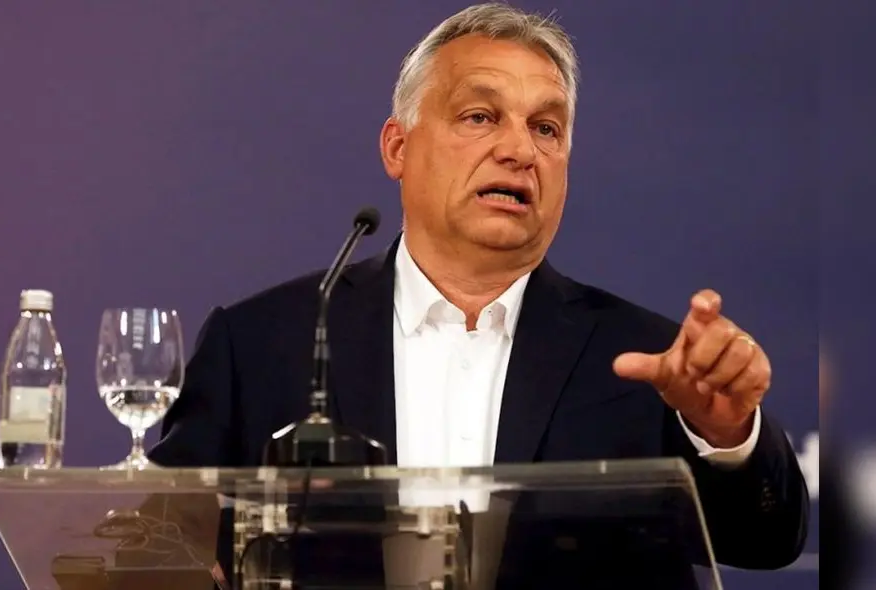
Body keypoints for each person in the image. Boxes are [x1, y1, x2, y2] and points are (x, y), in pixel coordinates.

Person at [149, 3, 808, 586]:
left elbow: (767, 542)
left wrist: (727, 435)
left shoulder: (644, 361)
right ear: (398, 147)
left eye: (547, 129)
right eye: (479, 115)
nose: (519, 149)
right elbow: (153, 546)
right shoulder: (264, 343)